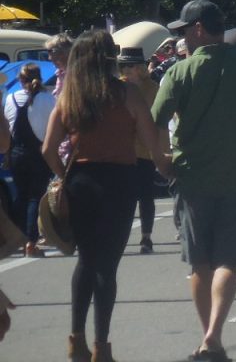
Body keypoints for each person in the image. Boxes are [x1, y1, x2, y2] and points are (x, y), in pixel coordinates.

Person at [151, 0, 236, 362]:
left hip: (192, 180)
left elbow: (154, 121)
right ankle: (214, 335)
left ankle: (207, 336)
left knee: (200, 263)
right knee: (229, 261)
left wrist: (162, 159)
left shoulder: (178, 73)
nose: (181, 39)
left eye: (183, 31)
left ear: (197, 30)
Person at [43, 31, 165, 362]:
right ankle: (102, 346)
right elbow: (153, 142)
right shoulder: (127, 93)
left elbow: (48, 148)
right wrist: (170, 170)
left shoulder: (70, 96)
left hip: (81, 181)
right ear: (109, 58)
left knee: (85, 260)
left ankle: (76, 339)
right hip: (119, 183)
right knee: (107, 268)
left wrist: (62, 176)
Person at [5, 63, 55, 257]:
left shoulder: (11, 98)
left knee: (20, 197)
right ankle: (31, 243)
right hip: (38, 153)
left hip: (17, 153)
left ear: (20, 80)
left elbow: (8, 128)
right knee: (35, 197)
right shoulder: (47, 99)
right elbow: (50, 129)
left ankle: (14, 238)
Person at [116, 48, 160, 254]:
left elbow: (158, 118)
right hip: (123, 149)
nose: (125, 70)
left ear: (140, 68)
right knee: (124, 197)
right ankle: (121, 237)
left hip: (145, 149)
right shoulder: (118, 88)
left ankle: (147, 237)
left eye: (129, 66)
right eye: (123, 66)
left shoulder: (152, 88)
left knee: (146, 195)